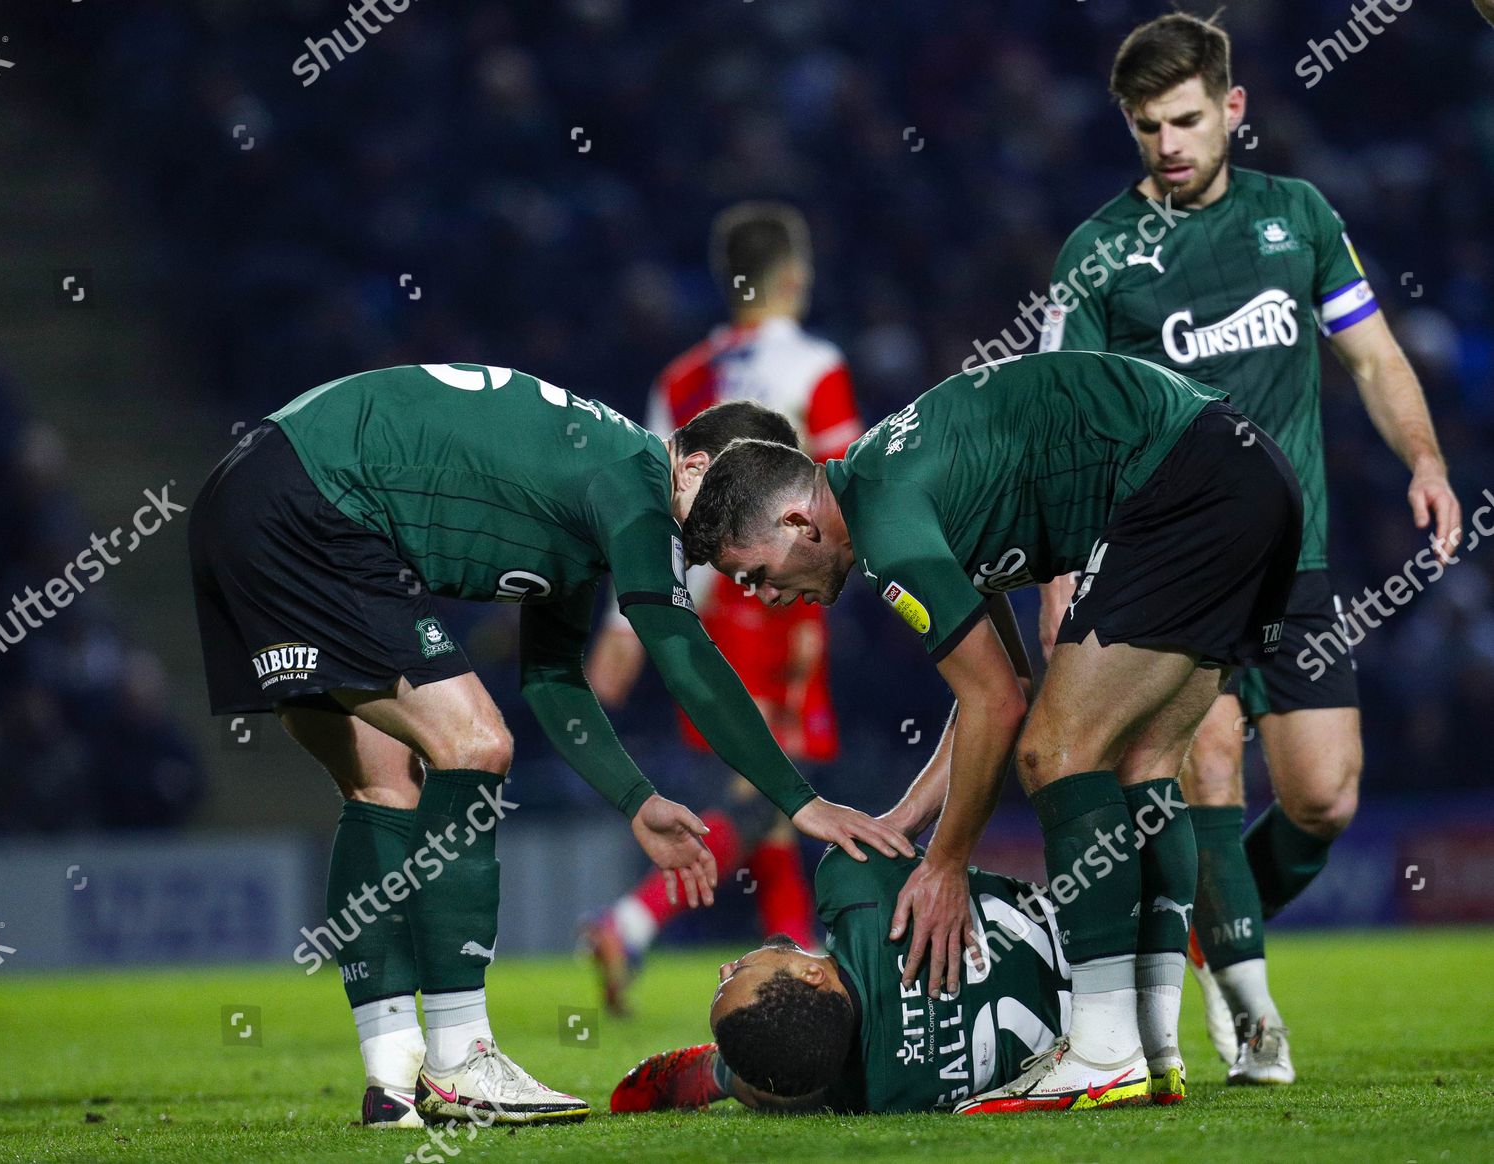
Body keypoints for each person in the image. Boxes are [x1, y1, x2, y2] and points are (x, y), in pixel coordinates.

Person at [187, 364, 912, 1129]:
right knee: (475, 743)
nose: (723, 553)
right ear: (695, 464)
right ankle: (465, 1058)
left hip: (246, 496)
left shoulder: (583, 496)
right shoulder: (633, 485)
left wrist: (635, 798)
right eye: (733, 510)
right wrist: (798, 800)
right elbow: (687, 660)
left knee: (382, 784)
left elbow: (552, 680)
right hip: (315, 502)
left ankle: (390, 1076)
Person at [682, 349, 1303, 1112]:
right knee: (1146, 764)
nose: (761, 596)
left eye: (752, 572)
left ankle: (1105, 1053)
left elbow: (1001, 714)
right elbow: (1001, 682)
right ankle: (1152, 1042)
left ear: (797, 520)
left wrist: (945, 864)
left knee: (1058, 753)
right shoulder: (897, 487)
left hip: (1186, 487)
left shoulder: (892, 532)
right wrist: (908, 816)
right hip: (1248, 476)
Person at [1036, 12, 1461, 1083]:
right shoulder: (1097, 258)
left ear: (1231, 110)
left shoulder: (1300, 217)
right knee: (1209, 754)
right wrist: (1058, 577)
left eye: (1185, 120)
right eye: (1145, 128)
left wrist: (1425, 461)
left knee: (1324, 797)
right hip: (1172, 565)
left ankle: (1210, 925)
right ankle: (1251, 1011)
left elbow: (1370, 358)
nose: (1167, 144)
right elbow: (1060, 431)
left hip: (1297, 558)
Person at [583, 202, 863, 1014]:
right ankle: (634, 920)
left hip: (703, 613)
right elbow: (845, 493)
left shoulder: (679, 380)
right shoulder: (815, 365)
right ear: (797, 276)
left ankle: (791, 956)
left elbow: (647, 512)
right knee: (776, 786)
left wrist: (622, 624)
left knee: (770, 803)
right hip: (781, 601)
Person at [610, 846, 1079, 1115]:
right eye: (735, 975)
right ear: (810, 974)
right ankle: (719, 1071)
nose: (724, 968)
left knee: (804, 1090)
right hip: (1102, 930)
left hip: (1121, 1028)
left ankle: (721, 1074)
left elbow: (796, 1084)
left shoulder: (872, 1095)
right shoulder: (855, 887)